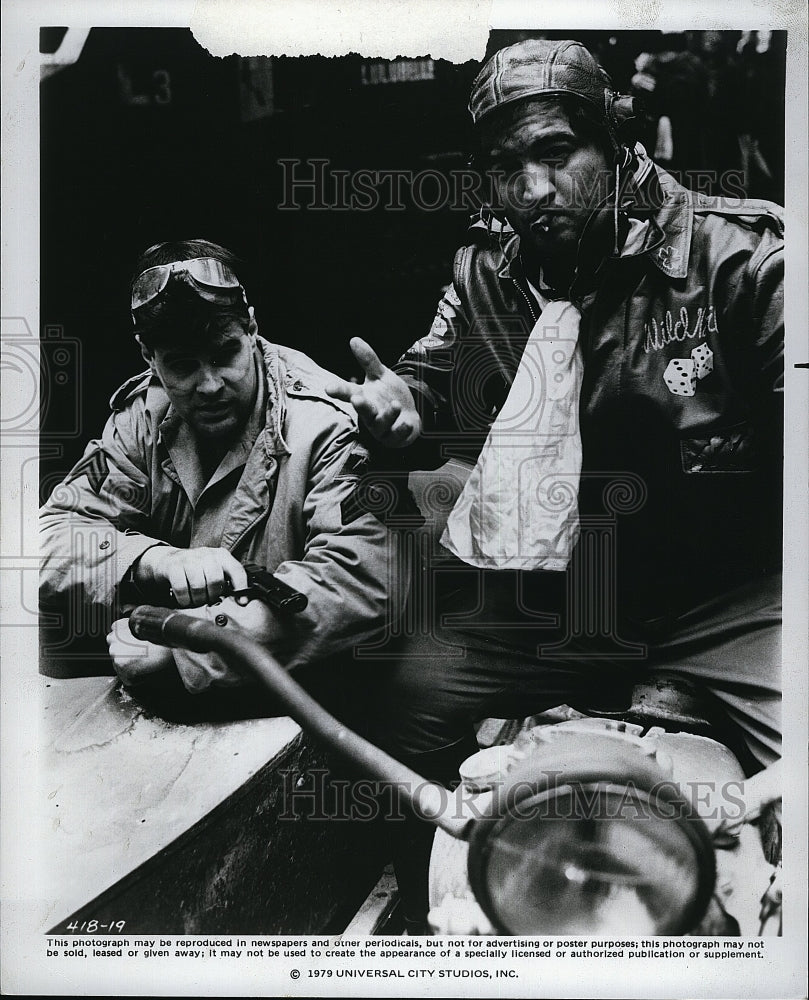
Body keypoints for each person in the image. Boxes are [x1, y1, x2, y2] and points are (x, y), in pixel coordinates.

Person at [325, 39, 784, 928]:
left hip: (730, 599)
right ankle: (446, 925)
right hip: (564, 596)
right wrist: (403, 411)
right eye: (504, 168)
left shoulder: (745, 264)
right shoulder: (488, 272)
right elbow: (430, 372)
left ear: (613, 145)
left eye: (554, 153)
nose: (532, 190)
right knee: (401, 701)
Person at [40, 239, 403, 699]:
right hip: (177, 681)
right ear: (148, 357)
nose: (209, 385)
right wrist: (154, 561)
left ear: (252, 329)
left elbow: (361, 584)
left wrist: (187, 644)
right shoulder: (139, 420)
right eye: (183, 365)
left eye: (225, 354)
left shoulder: (324, 423)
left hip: (300, 689)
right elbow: (50, 533)